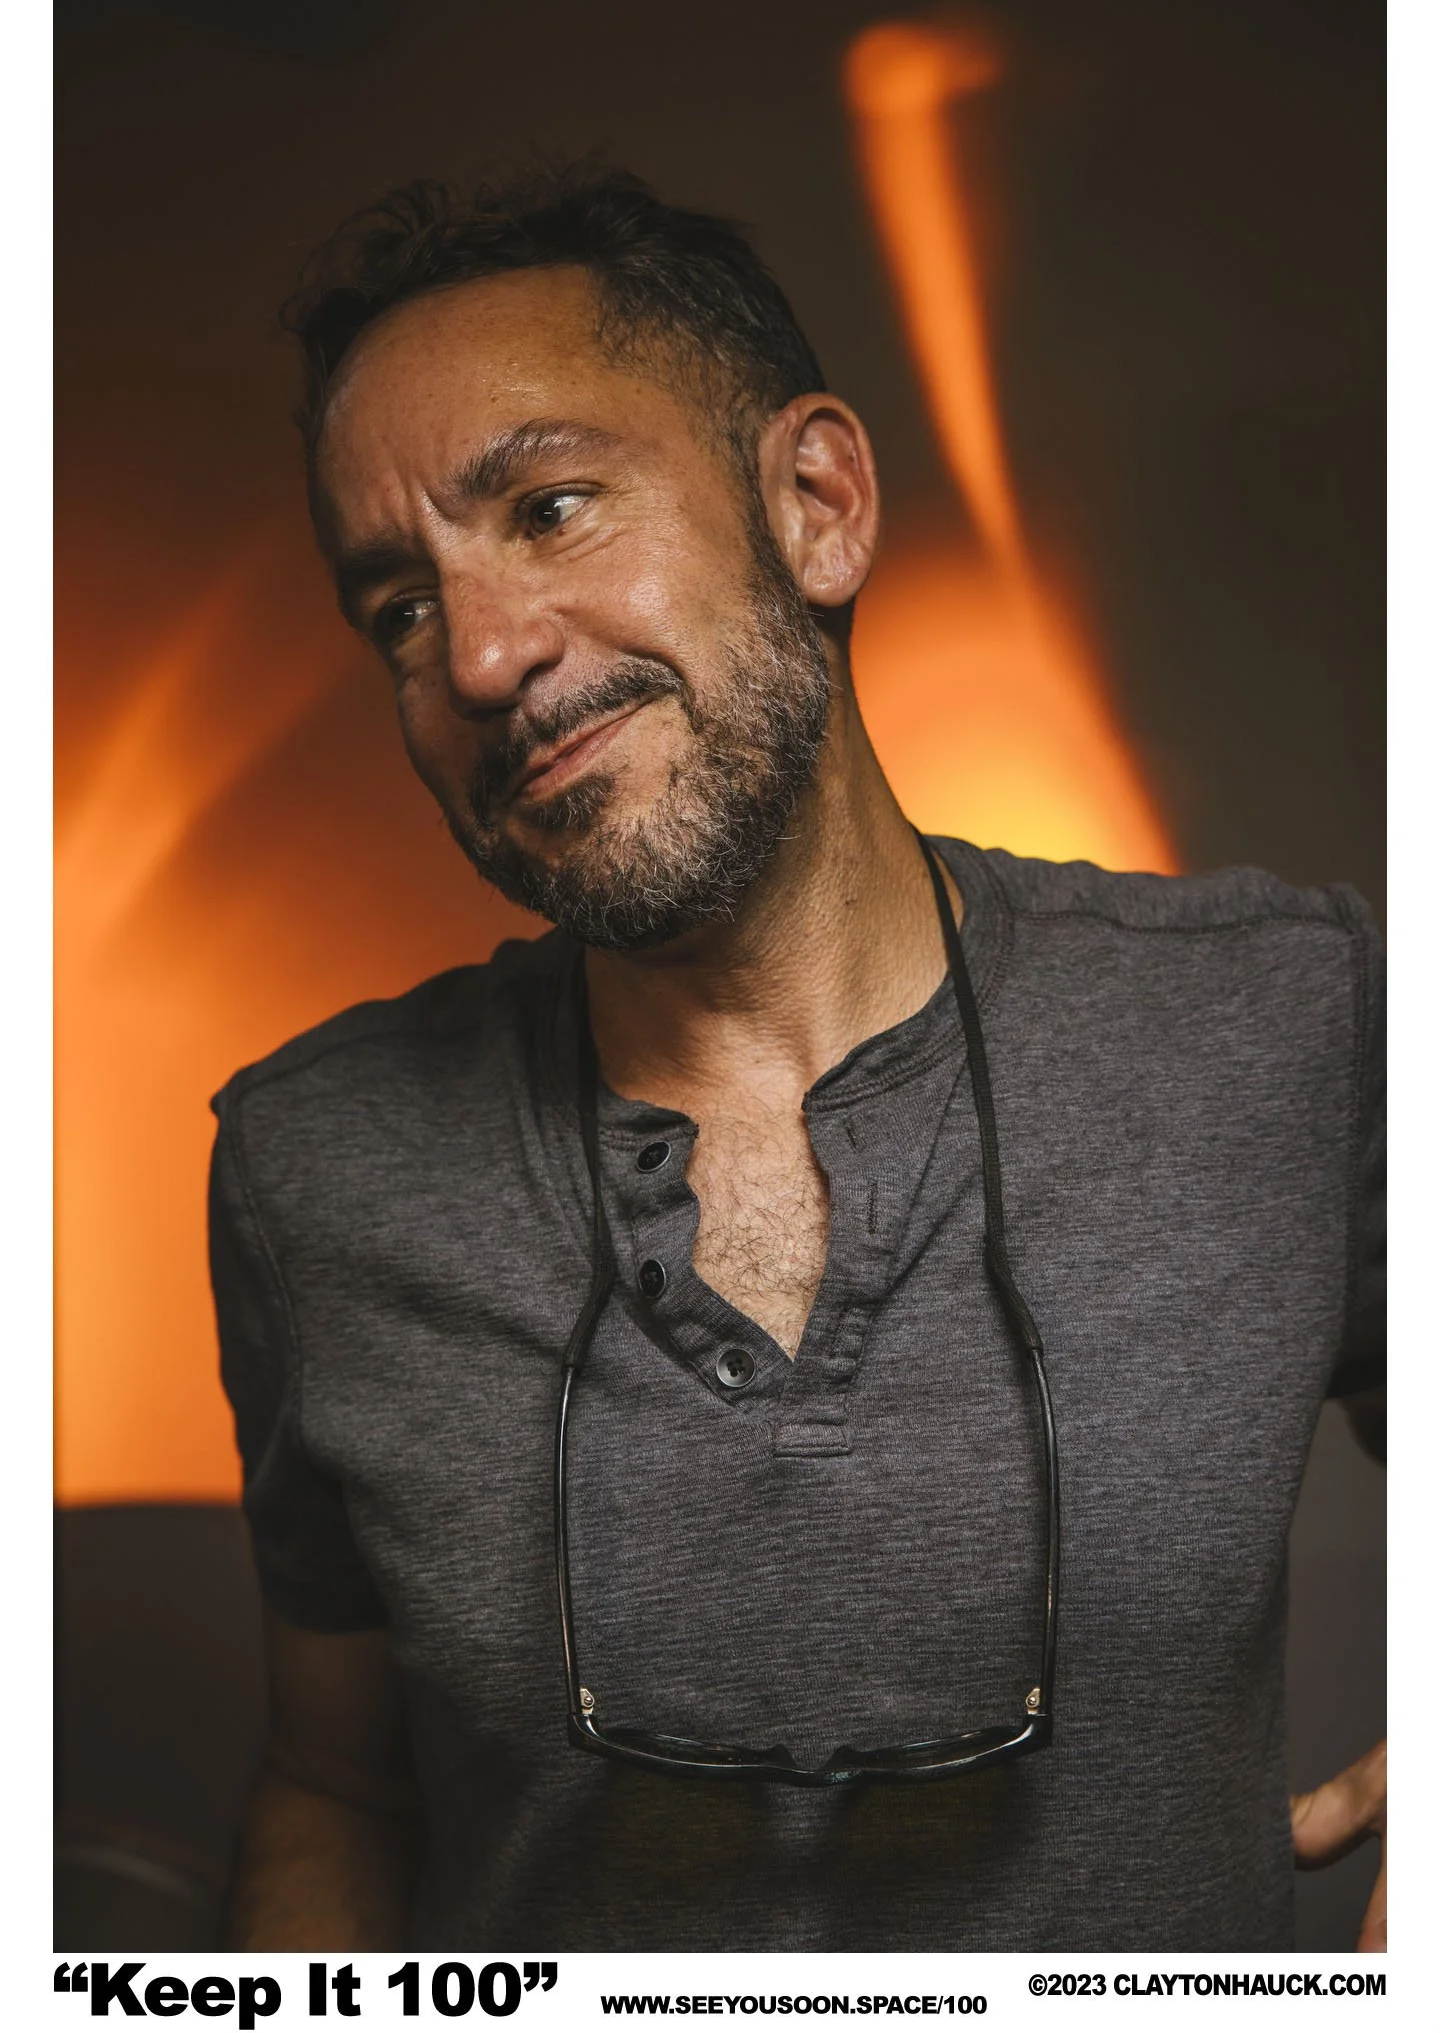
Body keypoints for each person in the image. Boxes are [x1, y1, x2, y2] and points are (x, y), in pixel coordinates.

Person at [211, 169, 1385, 1954]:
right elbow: (336, 1786)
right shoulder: (314, 1169)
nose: (482, 655)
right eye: (397, 608)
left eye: (550, 508)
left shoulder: (1287, 1019)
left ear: (816, 505)